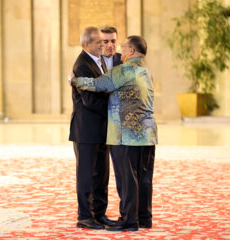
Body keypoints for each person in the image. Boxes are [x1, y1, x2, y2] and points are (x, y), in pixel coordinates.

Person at [70, 35, 158, 232]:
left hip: (126, 134)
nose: (120, 50)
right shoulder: (145, 72)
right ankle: (144, 217)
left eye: (124, 47)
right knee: (143, 178)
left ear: (132, 52)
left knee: (127, 179)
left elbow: (97, 84)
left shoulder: (124, 71)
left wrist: (74, 80)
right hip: (148, 133)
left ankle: (128, 220)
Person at [69, 26, 115, 229]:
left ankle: (99, 213)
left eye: (104, 42)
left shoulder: (101, 61)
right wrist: (114, 109)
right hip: (86, 130)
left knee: (101, 174)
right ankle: (85, 217)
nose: (103, 45)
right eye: (99, 42)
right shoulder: (82, 65)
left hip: (101, 129)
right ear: (87, 44)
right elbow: (89, 100)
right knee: (87, 176)